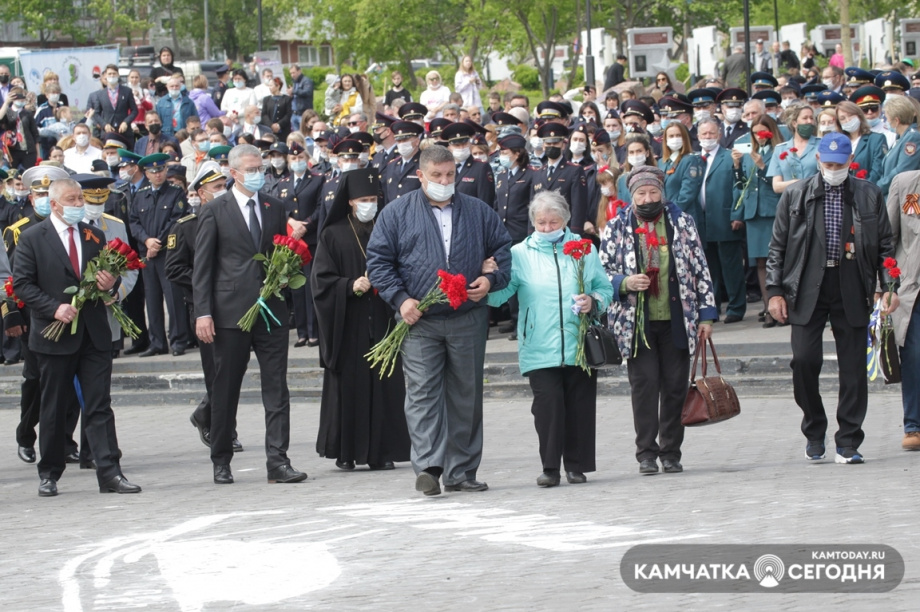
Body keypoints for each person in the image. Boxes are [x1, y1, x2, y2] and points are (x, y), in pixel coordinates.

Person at [366, 145, 512, 497]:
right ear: (421, 175)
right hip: (420, 321)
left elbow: (504, 252)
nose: (445, 182)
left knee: (466, 394)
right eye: (437, 176)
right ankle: (429, 467)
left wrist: (491, 281)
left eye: (450, 175)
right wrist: (401, 300)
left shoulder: (478, 211)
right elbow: (379, 262)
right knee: (422, 394)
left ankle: (461, 471)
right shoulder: (396, 213)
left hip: (467, 317)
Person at [767, 132, 899, 464]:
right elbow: (777, 247)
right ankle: (814, 430)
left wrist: (888, 287)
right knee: (804, 361)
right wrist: (774, 292)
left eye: (839, 165)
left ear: (849, 161)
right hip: (807, 284)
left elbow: (885, 245)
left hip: (851, 284)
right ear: (818, 161)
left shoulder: (868, 194)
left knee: (854, 367)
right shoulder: (796, 194)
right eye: (828, 164)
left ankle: (848, 440)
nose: (834, 169)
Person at [13, 177, 142, 496]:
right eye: (71, 200)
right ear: (54, 204)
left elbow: (108, 281)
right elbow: (22, 285)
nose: (78, 205)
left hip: (94, 334)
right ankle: (50, 472)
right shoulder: (32, 238)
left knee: (100, 404)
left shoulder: (94, 235)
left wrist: (110, 283)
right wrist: (54, 308)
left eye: (79, 199)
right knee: (54, 407)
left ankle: (110, 471)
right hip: (54, 336)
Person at [193, 144, 307, 485]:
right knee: (225, 388)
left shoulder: (275, 205)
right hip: (229, 314)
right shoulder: (215, 209)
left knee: (277, 388)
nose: (260, 174)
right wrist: (203, 313)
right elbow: (203, 266)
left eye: (262, 168)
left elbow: (278, 252)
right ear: (234, 173)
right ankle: (221, 459)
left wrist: (283, 278)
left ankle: (278, 460)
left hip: (271, 310)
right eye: (252, 169)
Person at [488, 191, 612, 487]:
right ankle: (550, 467)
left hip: (578, 342)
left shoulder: (584, 249)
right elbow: (500, 297)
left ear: (565, 221)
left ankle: (576, 465)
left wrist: (592, 301)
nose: (546, 228)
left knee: (579, 405)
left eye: (552, 222)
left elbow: (604, 290)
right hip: (538, 343)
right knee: (548, 406)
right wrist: (490, 280)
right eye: (540, 222)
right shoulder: (519, 253)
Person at [600, 166, 717, 475]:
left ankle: (671, 452)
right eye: (641, 193)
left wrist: (706, 315)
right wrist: (624, 283)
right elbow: (600, 272)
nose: (648, 198)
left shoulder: (682, 222)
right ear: (631, 195)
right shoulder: (616, 226)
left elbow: (700, 269)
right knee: (644, 386)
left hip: (677, 319)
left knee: (676, 387)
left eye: (653, 192)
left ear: (662, 194)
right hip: (636, 323)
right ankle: (646, 453)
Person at [310, 167, 411, 471]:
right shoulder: (333, 233)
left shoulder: (389, 227)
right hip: (350, 322)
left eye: (374, 198)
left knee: (384, 386)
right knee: (350, 386)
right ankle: (346, 451)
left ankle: (382, 451)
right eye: (363, 199)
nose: (370, 204)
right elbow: (321, 281)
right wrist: (348, 286)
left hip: (383, 319)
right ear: (351, 201)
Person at [129, 153, 189, 357]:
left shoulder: (175, 193)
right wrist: (146, 240)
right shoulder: (140, 195)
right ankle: (157, 343)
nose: (158, 175)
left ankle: (179, 340)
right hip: (147, 253)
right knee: (152, 300)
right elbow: (134, 222)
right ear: (146, 173)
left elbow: (176, 221)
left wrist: (158, 242)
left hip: (167, 253)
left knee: (173, 298)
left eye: (161, 170)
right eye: (153, 172)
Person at [733, 115, 782, 327]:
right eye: (755, 133)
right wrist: (736, 166)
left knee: (778, 259)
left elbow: (777, 183)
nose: (759, 137)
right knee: (760, 262)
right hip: (753, 213)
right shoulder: (748, 154)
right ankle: (767, 305)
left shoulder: (778, 152)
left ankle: (782, 304)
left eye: (763, 132)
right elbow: (742, 185)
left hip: (772, 210)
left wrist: (762, 166)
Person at [697, 118, 746, 323]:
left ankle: (736, 307)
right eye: (704, 134)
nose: (708, 137)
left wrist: (737, 214)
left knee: (731, 266)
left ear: (719, 134)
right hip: (702, 221)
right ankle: (713, 307)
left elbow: (740, 186)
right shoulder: (694, 159)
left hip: (724, 218)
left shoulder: (730, 157)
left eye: (711, 133)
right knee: (709, 268)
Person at [885, 169, 920, 450]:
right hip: (913, 290)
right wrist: (884, 286)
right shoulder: (907, 183)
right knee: (914, 356)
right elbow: (887, 239)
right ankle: (914, 426)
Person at [531, 122, 588, 233]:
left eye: (556, 143)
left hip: (565, 231)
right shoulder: (538, 173)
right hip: (542, 231)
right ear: (543, 145)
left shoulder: (574, 171)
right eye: (548, 143)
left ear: (563, 145)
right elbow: (532, 207)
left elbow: (578, 207)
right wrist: (531, 232)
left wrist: (574, 235)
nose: (551, 147)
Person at [768, 102, 819, 194]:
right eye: (805, 118)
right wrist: (798, 183)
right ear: (794, 123)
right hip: (790, 202)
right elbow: (776, 186)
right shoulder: (780, 149)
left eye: (811, 118)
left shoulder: (822, 145)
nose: (809, 121)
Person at [878, 95, 920, 198]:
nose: (886, 122)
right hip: (893, 195)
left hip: (904, 198)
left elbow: (902, 170)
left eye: (887, 118)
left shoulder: (912, 138)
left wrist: (878, 187)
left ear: (896, 121)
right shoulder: (900, 138)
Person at [659, 122, 703, 219]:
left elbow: (687, 193)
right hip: (664, 215)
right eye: (671, 136)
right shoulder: (662, 162)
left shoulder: (690, 160)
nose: (675, 139)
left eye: (678, 135)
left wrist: (672, 212)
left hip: (683, 215)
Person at [86, 64, 138, 148]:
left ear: (118, 75)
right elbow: (96, 113)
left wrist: (126, 122)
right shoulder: (100, 94)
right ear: (105, 75)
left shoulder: (127, 91)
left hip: (124, 132)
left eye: (114, 73)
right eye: (109, 74)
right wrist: (104, 124)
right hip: (108, 133)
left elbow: (134, 110)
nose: (112, 75)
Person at [1, 89, 40, 171]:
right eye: (18, 98)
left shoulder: (27, 113)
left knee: (29, 173)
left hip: (28, 150)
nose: (21, 100)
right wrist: (7, 102)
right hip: (13, 150)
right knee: (13, 174)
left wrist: (38, 154)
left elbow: (35, 134)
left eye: (23, 98)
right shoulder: (7, 112)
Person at [288, 64, 314, 132]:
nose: (292, 75)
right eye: (291, 73)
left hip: (303, 113)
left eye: (293, 72)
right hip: (294, 113)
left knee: (305, 133)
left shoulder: (306, 81)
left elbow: (307, 92)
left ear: (299, 71)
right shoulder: (294, 82)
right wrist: (291, 95)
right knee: (296, 136)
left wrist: (293, 91)